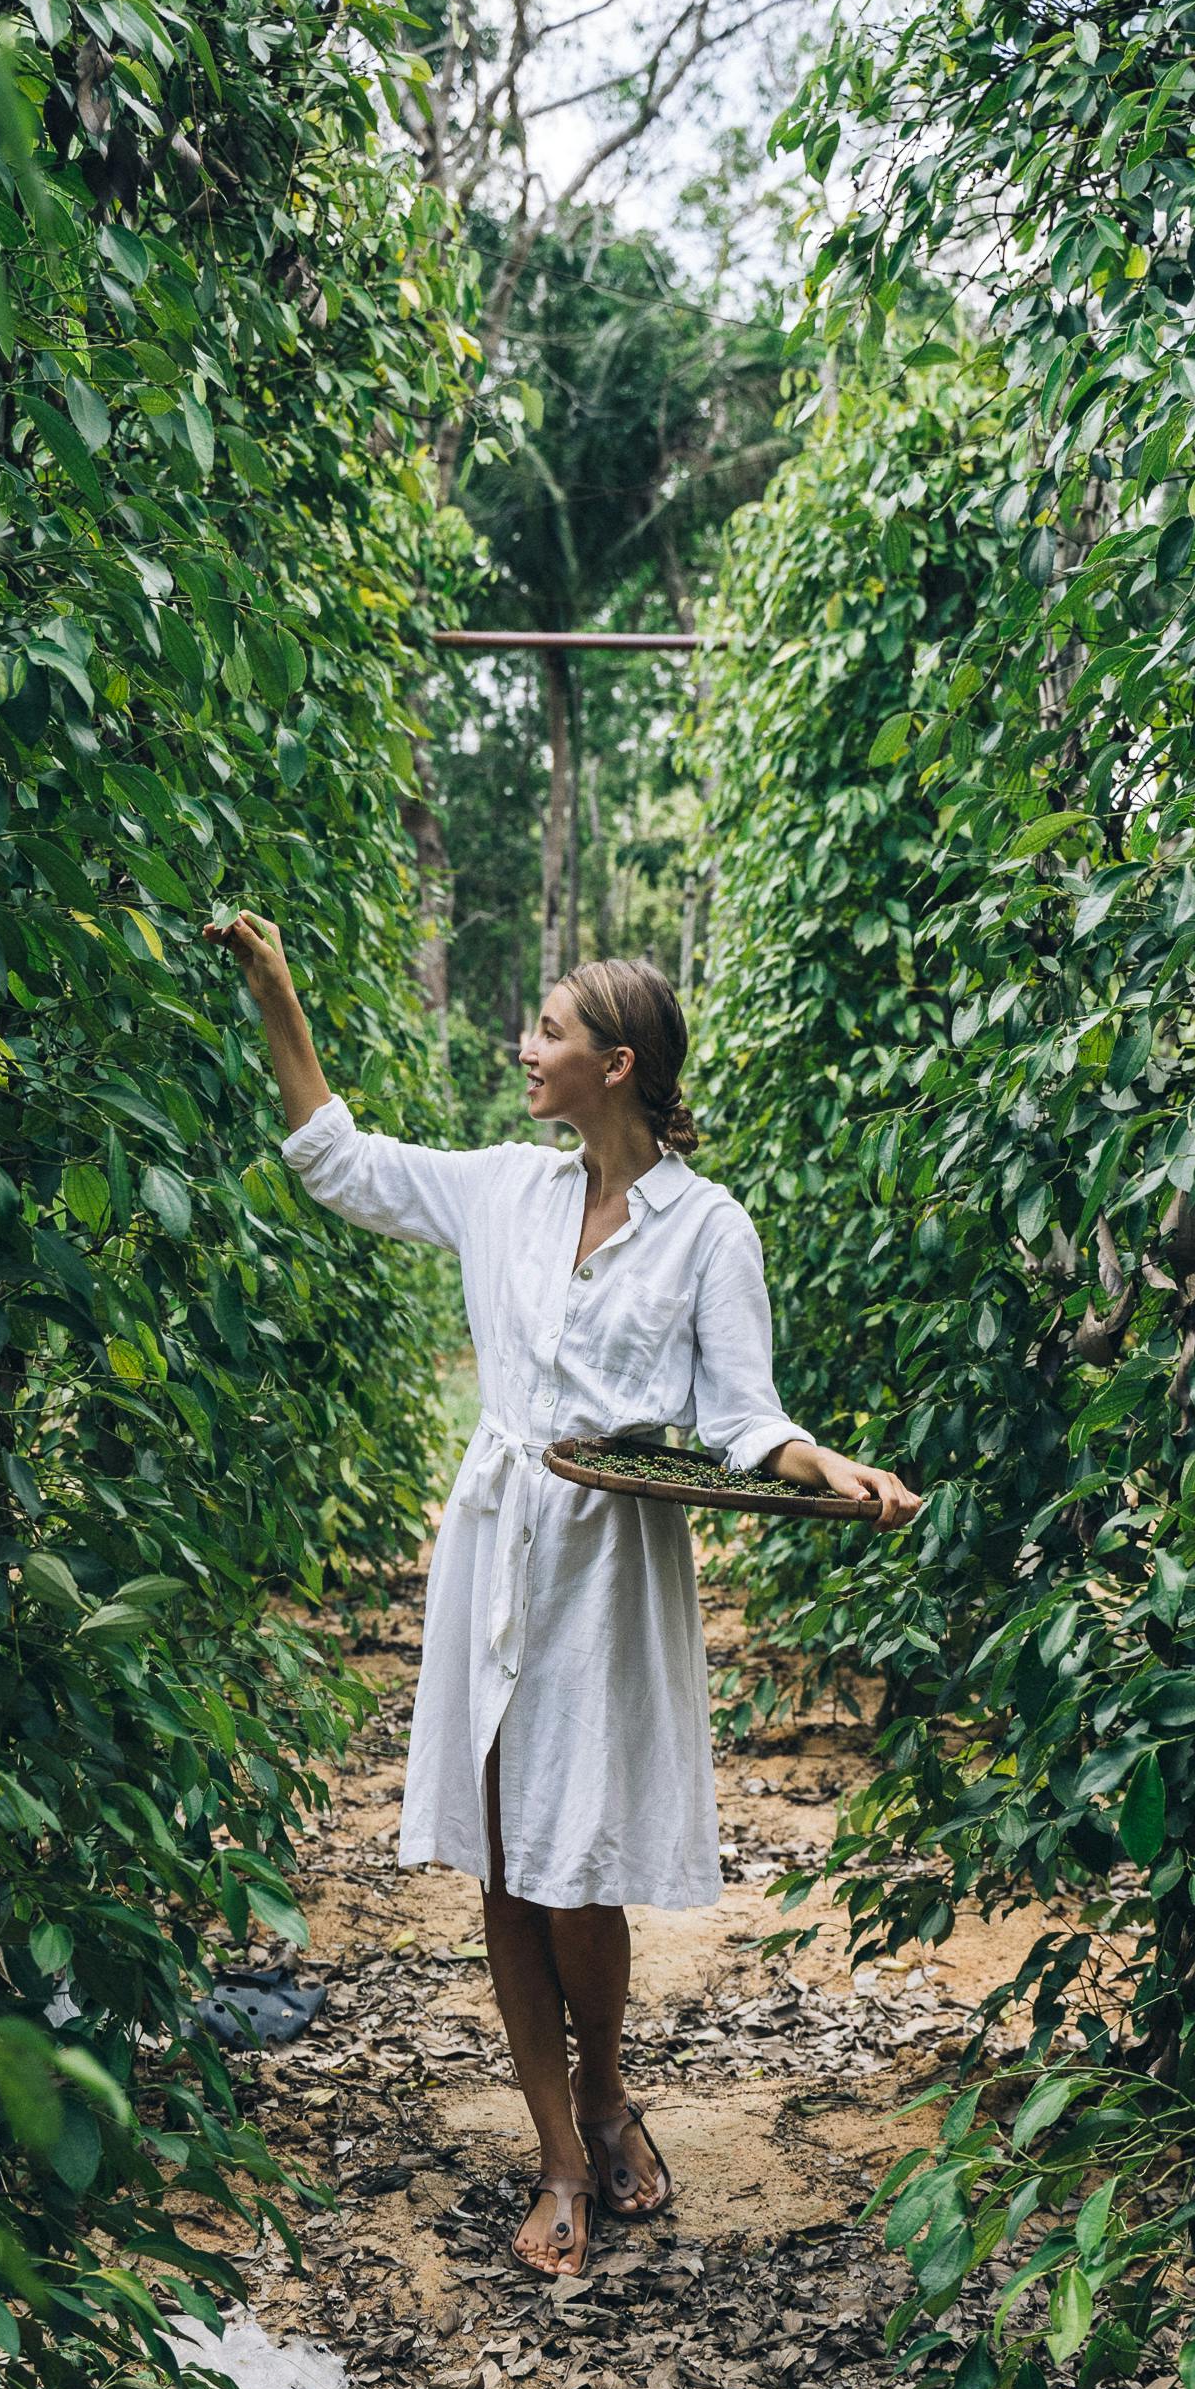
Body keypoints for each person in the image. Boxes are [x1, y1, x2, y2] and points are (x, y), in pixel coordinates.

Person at [209, 913, 920, 2280]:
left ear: (619, 1061)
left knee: (570, 1861)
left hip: (608, 1561)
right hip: (494, 1541)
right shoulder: (504, 1189)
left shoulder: (707, 1227)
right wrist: (276, 994)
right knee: (497, 1856)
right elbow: (339, 1162)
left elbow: (741, 1413)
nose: (522, 1046)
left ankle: (604, 2092)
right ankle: (554, 2155)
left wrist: (823, 1467)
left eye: (548, 1030)